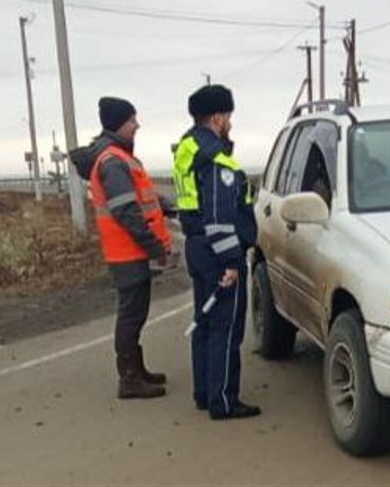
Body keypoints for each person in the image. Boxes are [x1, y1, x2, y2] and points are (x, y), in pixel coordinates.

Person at [71, 97, 173, 400]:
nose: (136, 125)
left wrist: (166, 207)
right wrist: (153, 245)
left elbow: (140, 199)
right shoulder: (113, 161)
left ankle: (136, 370)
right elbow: (126, 210)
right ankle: (129, 379)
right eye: (131, 120)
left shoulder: (118, 156)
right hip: (128, 251)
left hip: (129, 251)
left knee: (136, 312)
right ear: (118, 124)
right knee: (131, 314)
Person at [172, 84, 261, 420]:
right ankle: (223, 400)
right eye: (228, 116)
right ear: (217, 117)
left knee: (205, 323)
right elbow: (218, 217)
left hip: (197, 246)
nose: (230, 123)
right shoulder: (215, 158)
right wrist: (232, 262)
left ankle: (204, 393)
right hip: (217, 252)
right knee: (226, 327)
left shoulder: (188, 147)